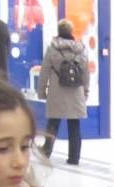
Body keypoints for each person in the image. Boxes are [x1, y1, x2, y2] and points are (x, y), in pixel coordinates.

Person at [38, 18, 89, 166]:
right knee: (74, 125)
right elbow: (86, 73)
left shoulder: (52, 48)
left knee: (53, 122)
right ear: (71, 31)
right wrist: (85, 91)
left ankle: (46, 151)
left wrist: (41, 91)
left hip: (57, 91)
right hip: (76, 91)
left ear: (58, 31)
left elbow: (44, 72)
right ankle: (74, 157)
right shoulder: (81, 49)